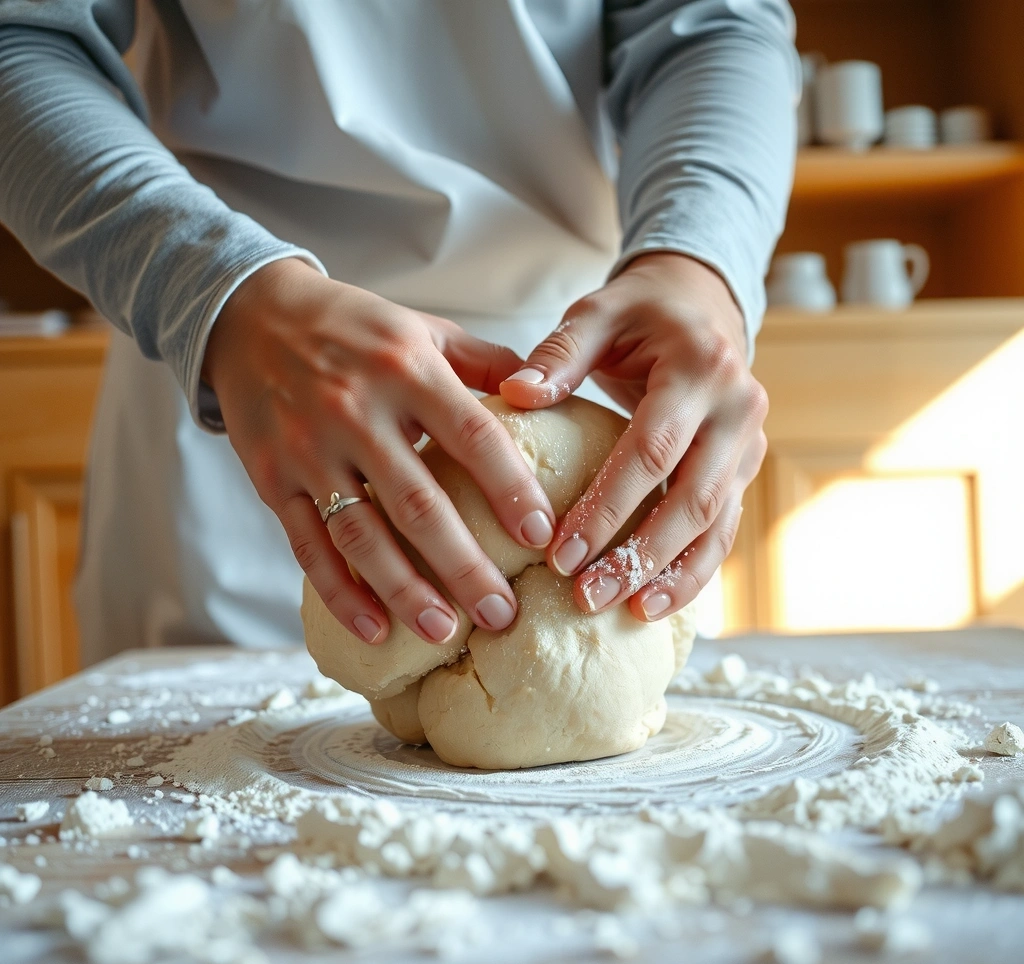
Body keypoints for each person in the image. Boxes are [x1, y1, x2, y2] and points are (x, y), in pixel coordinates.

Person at [0, 1, 797, 665]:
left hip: (567, 381)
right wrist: (221, 290)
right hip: (237, 375)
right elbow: (19, 36)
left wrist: (697, 262)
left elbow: (714, 23)